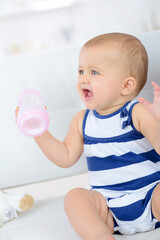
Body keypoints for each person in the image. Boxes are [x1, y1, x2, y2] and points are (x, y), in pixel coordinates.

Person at [15, 32, 160, 240]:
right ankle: (100, 236)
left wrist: (157, 122)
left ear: (126, 85)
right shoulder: (82, 120)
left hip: (151, 195)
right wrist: (38, 130)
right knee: (74, 197)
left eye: (94, 72)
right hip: (108, 209)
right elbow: (65, 157)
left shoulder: (135, 112)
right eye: (81, 70)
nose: (83, 78)